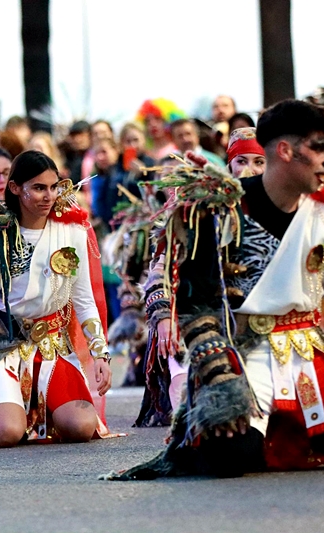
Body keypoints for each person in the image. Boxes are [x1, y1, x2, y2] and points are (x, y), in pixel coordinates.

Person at [107, 100, 324, 480]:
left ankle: (292, 431)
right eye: (319, 147)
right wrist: (221, 379)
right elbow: (196, 303)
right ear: (285, 151)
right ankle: (255, 432)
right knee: (231, 456)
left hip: (306, 352)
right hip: (241, 354)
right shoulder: (220, 210)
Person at [0, 151, 112, 447]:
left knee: (81, 427)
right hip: (0, 345)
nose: (49, 196)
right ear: (15, 188)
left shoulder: (73, 231)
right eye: (39, 188)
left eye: (54, 187)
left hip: (52, 346)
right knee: (6, 434)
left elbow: (83, 299)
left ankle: (34, 409)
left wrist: (99, 353)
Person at [135, 127, 266, 427]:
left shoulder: (280, 209)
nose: (250, 170)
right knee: (190, 402)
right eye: (241, 162)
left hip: (259, 323)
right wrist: (165, 316)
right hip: (202, 319)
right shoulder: (203, 209)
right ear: (228, 166)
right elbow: (162, 270)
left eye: (259, 162)